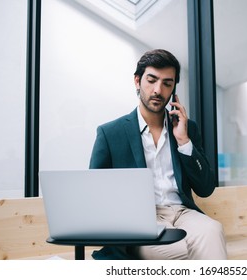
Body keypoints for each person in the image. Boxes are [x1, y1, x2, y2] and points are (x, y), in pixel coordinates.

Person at [89, 49, 227, 260]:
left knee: (213, 230)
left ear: (173, 89)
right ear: (137, 81)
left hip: (183, 212)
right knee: (176, 249)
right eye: (151, 80)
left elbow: (206, 188)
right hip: (141, 219)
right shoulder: (110, 133)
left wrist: (184, 140)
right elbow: (96, 193)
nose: (158, 90)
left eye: (167, 83)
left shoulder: (187, 128)